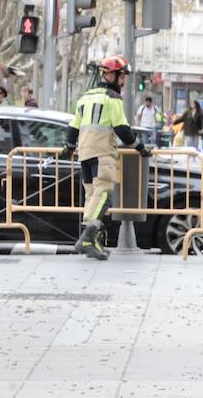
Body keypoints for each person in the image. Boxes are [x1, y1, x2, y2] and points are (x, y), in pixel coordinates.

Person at [64, 56, 151, 260]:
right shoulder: (112, 98)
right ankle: (86, 239)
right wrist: (140, 147)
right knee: (104, 195)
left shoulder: (86, 96)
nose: (124, 82)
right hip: (102, 152)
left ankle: (92, 242)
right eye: (122, 77)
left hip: (84, 154)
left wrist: (68, 147)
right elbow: (122, 129)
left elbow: (73, 127)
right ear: (111, 75)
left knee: (92, 195)